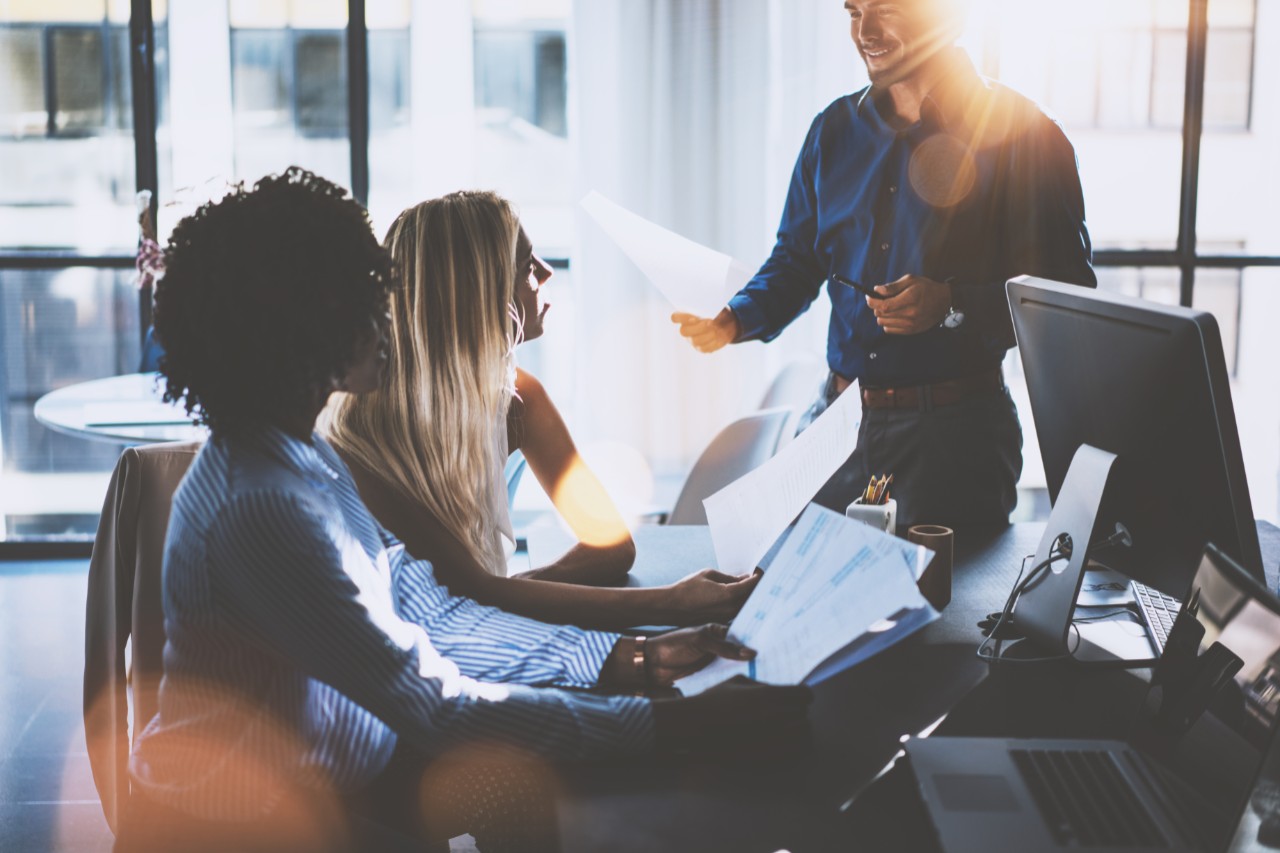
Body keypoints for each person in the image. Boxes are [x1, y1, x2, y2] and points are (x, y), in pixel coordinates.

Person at [117, 168, 810, 852]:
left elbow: (429, 614)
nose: (390, 313)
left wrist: (636, 660)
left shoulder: (298, 453)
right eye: (367, 297)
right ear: (303, 328)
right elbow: (431, 702)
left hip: (334, 779)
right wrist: (670, 725)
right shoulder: (261, 506)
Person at [672, 0, 1097, 531]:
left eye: (886, 9)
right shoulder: (832, 131)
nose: (865, 31)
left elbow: (1067, 298)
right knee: (807, 603)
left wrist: (952, 304)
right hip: (834, 427)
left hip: (954, 444)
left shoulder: (1027, 137)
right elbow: (797, 259)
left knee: (945, 614)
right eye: (853, 11)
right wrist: (735, 318)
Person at [326, 191, 757, 630]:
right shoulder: (362, 426)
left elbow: (610, 545)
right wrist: (674, 602)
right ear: (479, 293)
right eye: (526, 265)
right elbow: (462, 598)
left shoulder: (520, 397)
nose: (547, 272)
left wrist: (518, 589)